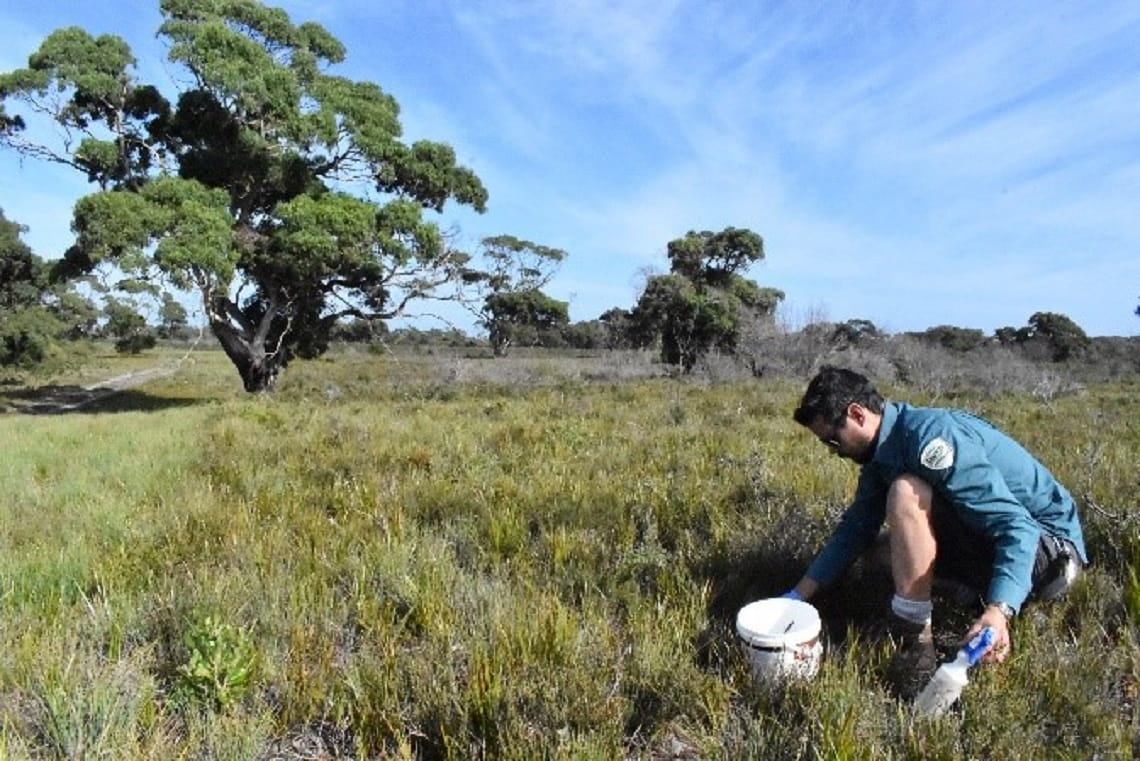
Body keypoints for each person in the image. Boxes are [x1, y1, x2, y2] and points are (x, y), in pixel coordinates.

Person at [783, 366, 1087, 698]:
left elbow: (1016, 527)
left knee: (905, 491)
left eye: (832, 439)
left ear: (857, 414)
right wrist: (798, 596)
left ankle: (917, 642)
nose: (834, 451)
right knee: (881, 553)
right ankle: (966, 597)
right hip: (995, 543)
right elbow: (855, 529)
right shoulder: (882, 454)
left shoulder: (929, 438)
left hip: (1049, 553)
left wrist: (998, 611)